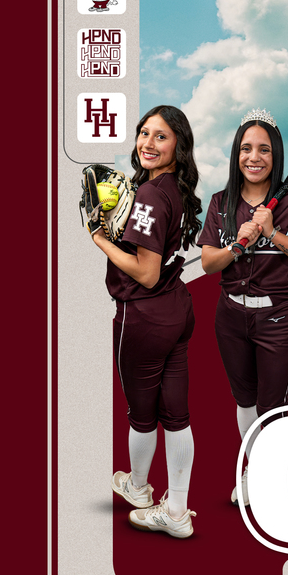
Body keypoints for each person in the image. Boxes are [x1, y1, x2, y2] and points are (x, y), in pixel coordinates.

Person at [199, 109, 288, 506]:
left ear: (277, 155)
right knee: (245, 399)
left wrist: (272, 233)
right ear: (236, 154)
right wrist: (237, 246)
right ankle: (259, 467)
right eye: (246, 148)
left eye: (264, 150)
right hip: (230, 315)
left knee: (272, 403)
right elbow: (208, 263)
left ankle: (271, 473)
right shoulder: (221, 203)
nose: (254, 157)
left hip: (278, 316)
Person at [92, 105, 202, 539]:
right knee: (177, 415)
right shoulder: (173, 188)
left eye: (161, 136)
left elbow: (146, 272)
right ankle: (176, 511)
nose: (148, 143)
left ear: (179, 145)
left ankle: (138, 488)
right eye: (144, 133)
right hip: (177, 310)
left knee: (142, 414)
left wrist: (99, 238)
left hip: (144, 317)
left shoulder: (152, 195)